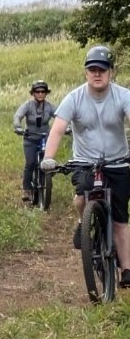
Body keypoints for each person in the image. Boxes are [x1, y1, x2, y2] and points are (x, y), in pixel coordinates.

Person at [41, 44, 130, 287]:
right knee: (82, 197)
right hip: (85, 162)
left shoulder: (123, 96)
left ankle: (126, 269)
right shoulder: (74, 98)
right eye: (92, 69)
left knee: (120, 219)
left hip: (118, 162)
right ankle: (84, 223)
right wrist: (49, 158)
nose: (97, 74)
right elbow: (58, 129)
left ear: (111, 71)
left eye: (102, 69)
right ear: (86, 72)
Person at [13, 80, 56, 203]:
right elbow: (18, 116)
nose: (40, 94)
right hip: (30, 138)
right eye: (37, 92)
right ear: (33, 93)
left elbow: (61, 116)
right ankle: (26, 189)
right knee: (30, 163)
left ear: (46, 93)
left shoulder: (49, 106)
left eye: (43, 91)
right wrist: (18, 126)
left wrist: (67, 127)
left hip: (45, 138)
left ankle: (46, 179)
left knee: (48, 162)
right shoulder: (28, 105)